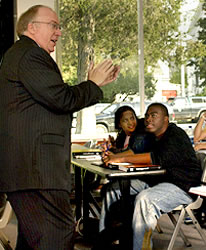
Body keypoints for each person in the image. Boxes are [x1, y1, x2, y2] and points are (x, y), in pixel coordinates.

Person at [0, 5, 120, 249]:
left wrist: (90, 85)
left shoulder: (22, 55)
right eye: (53, 25)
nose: (59, 32)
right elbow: (62, 99)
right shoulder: (30, 55)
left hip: (30, 171)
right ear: (32, 28)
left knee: (35, 240)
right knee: (57, 235)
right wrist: (92, 84)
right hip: (37, 171)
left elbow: (54, 100)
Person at [99, 103, 202, 250]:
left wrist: (120, 159)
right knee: (112, 190)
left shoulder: (175, 134)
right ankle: (105, 241)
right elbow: (136, 153)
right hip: (159, 180)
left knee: (145, 199)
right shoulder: (153, 136)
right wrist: (113, 155)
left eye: (154, 115)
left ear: (166, 119)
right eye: (147, 115)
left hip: (183, 186)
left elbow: (156, 158)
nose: (148, 119)